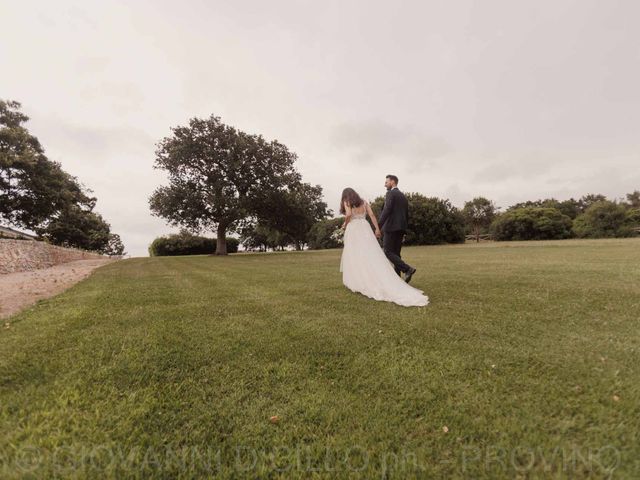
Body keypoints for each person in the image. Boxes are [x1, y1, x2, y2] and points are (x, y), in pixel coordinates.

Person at [338, 187, 428, 307]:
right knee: (370, 254)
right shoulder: (363, 202)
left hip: (354, 229)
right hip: (365, 228)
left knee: (356, 255)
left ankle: (360, 281)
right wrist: (377, 229)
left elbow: (348, 214)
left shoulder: (347, 201)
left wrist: (345, 224)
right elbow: (372, 215)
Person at [377, 174, 417, 282]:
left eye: (386, 182)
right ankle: (397, 281)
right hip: (401, 228)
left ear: (392, 182)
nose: (385, 185)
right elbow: (406, 214)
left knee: (387, 251)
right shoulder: (403, 196)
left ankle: (407, 269)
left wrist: (378, 226)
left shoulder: (390, 193)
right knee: (396, 254)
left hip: (391, 227)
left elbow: (387, 210)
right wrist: (404, 231)